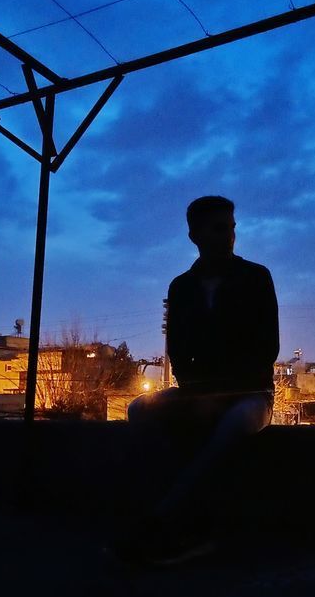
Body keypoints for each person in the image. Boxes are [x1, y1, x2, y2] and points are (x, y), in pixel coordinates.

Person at [113, 194, 279, 566]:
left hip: (252, 395)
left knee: (233, 422)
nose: (230, 236)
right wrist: (198, 391)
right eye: (220, 228)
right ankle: (179, 518)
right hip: (199, 392)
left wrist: (215, 390)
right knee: (139, 410)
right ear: (195, 235)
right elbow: (178, 351)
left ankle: (161, 521)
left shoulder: (256, 277)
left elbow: (266, 347)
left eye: (232, 228)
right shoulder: (181, 287)